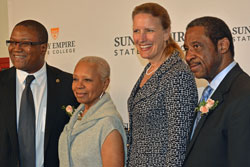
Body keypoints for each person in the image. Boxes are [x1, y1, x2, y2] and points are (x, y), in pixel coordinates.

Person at [127, 3, 198, 167]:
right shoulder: (150, 69)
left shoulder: (177, 74)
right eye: (136, 30)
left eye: (149, 30)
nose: (141, 38)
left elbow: (178, 145)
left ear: (166, 33)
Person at [0, 20, 78, 167]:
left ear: (43, 48)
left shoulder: (69, 85)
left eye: (25, 43)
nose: (16, 48)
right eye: (12, 42)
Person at [183, 16, 250, 167]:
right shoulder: (212, 92)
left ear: (222, 46)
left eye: (197, 46)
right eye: (187, 48)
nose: (188, 56)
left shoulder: (244, 95)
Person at [59, 56, 127, 167]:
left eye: (87, 80)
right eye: (75, 79)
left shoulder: (108, 123)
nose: (79, 86)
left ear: (105, 83)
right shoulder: (77, 116)